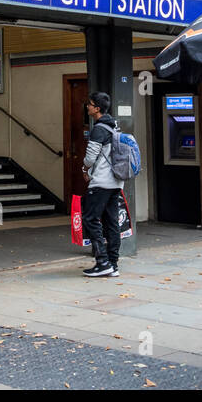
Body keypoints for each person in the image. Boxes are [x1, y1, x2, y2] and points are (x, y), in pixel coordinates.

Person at [81, 92, 124, 278]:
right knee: (111, 222)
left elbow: (91, 157)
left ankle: (102, 261)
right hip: (116, 181)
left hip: (101, 182)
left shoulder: (99, 129)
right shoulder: (114, 126)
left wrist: (85, 169)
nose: (87, 107)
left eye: (89, 104)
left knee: (90, 219)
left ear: (97, 109)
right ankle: (113, 263)